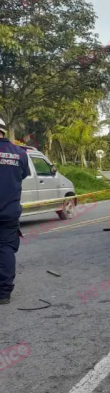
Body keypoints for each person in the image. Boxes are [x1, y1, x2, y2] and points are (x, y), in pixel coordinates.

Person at [0, 118, 31, 304]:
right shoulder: (19, 153)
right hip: (9, 211)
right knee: (5, 249)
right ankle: (3, 293)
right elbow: (23, 174)